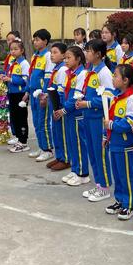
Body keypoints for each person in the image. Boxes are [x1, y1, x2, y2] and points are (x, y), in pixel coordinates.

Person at [76, 39, 115, 202]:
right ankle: (99, 183)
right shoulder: (90, 71)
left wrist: (88, 103)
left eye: (88, 51)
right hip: (88, 117)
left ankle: (105, 186)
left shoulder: (104, 73)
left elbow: (110, 98)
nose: (85, 54)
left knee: (100, 153)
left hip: (98, 119)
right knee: (92, 151)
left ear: (98, 54)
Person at [104, 64, 133, 220]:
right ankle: (120, 200)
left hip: (126, 145)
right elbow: (110, 116)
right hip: (115, 143)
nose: (113, 78)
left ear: (125, 80)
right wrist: (107, 136)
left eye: (116, 76)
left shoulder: (131, 99)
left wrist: (111, 126)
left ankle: (129, 204)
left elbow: (129, 123)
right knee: (117, 174)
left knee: (126, 176)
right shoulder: (116, 97)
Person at [54, 46, 90, 186]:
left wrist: (64, 110)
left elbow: (77, 96)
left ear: (78, 59)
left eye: (69, 57)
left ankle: (83, 173)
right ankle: (75, 169)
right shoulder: (69, 73)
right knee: (71, 142)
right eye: (66, 57)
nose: (66, 60)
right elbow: (63, 92)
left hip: (76, 114)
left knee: (79, 144)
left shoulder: (82, 74)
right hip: (68, 112)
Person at [26, 29, 54, 162]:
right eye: (34, 39)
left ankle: (48, 149)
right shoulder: (34, 56)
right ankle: (41, 146)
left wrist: (44, 95)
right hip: (33, 94)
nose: (35, 42)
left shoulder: (48, 56)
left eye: (37, 39)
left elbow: (48, 77)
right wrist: (27, 91)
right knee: (37, 122)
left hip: (42, 95)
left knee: (43, 122)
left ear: (45, 41)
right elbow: (31, 76)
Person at [46, 43, 71, 172]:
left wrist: (59, 108)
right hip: (53, 103)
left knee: (61, 133)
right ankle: (59, 156)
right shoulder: (56, 68)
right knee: (56, 132)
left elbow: (61, 91)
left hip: (58, 106)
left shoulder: (62, 70)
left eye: (55, 52)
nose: (52, 55)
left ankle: (66, 159)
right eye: (51, 52)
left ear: (63, 55)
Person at [3, 40, 30, 153]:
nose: (13, 51)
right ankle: (19, 139)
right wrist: (2, 76)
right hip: (12, 94)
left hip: (20, 95)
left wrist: (11, 79)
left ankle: (23, 142)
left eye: (15, 49)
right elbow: (8, 76)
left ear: (22, 50)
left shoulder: (24, 64)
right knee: (14, 117)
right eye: (11, 49)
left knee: (21, 118)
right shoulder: (12, 63)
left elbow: (26, 80)